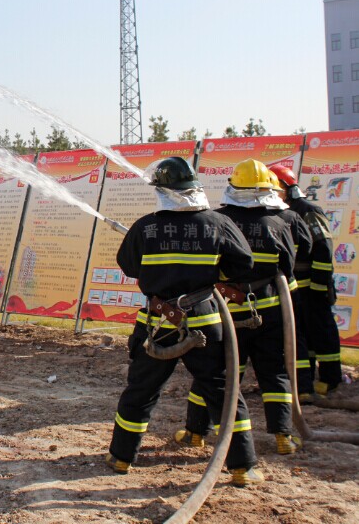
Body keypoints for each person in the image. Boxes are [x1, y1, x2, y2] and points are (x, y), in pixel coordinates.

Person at [106, 156, 262, 487]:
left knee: (142, 390)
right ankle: (242, 466)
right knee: (221, 389)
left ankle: (121, 457)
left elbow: (129, 266)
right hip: (204, 320)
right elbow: (244, 264)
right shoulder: (218, 223)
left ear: (162, 191)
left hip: (157, 323)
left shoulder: (145, 226)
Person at [178, 159, 299, 456]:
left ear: (233, 187)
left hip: (223, 313)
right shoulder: (279, 223)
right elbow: (288, 272)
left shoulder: (216, 221)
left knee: (215, 373)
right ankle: (283, 436)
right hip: (268, 311)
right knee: (273, 371)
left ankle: (195, 433)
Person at [269, 164, 343, 399]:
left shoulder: (307, 210)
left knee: (322, 331)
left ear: (287, 188)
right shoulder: (278, 212)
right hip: (294, 287)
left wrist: (319, 286)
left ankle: (331, 379)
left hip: (314, 286)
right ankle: (306, 378)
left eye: (274, 188)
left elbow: (323, 248)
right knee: (301, 333)